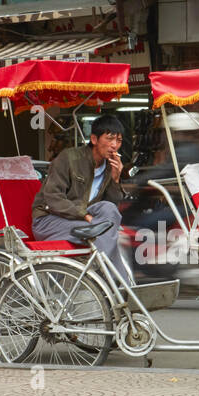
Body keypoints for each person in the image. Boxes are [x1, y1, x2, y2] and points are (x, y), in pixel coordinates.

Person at [31, 113, 133, 279]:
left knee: (108, 210)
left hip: (83, 220)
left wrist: (115, 178)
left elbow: (111, 206)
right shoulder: (68, 158)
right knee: (102, 232)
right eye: (109, 139)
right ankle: (114, 280)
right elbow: (53, 198)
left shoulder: (109, 166)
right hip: (49, 221)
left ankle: (114, 280)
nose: (114, 145)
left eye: (119, 140)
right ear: (94, 139)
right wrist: (85, 216)